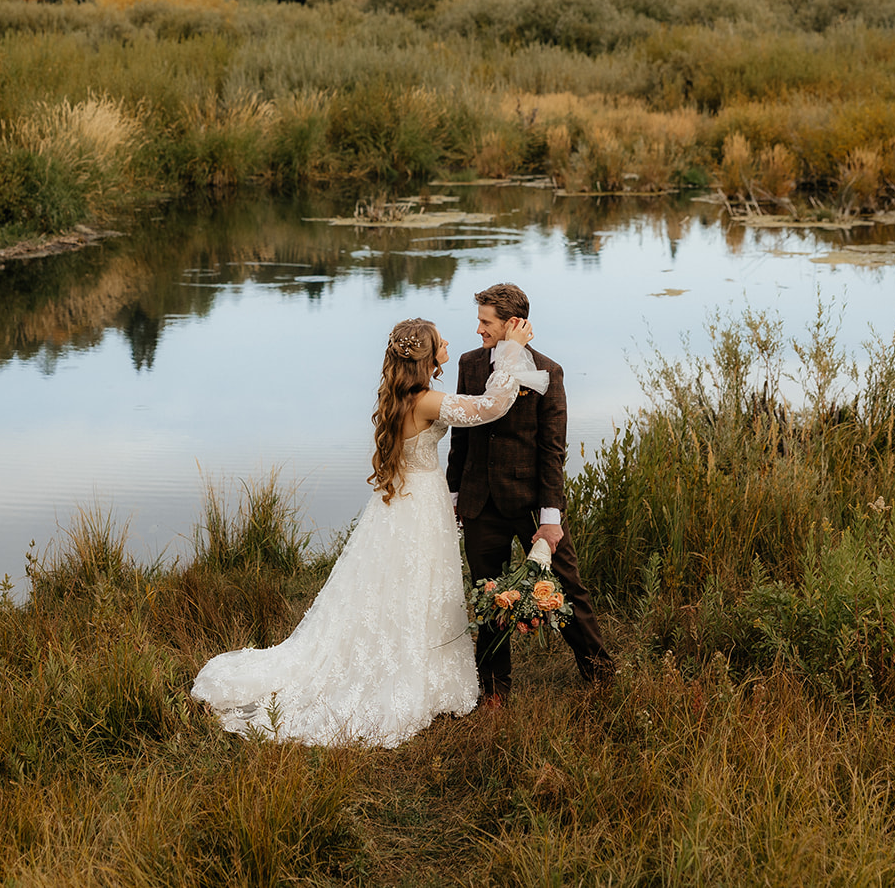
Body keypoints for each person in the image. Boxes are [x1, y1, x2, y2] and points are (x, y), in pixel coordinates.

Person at [191, 316, 545, 747]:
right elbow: (491, 407)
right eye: (440, 340)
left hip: (405, 502)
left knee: (403, 587)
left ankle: (411, 660)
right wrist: (511, 350)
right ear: (426, 356)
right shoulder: (426, 401)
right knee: (416, 585)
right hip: (419, 504)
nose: (449, 341)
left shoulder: (403, 398)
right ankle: (407, 674)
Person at [447, 283, 611, 706]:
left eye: (486, 322)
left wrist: (551, 517)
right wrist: (452, 495)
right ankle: (494, 692)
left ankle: (600, 674)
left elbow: (552, 448)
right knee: (488, 597)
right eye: (480, 320)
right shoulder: (468, 364)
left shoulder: (548, 371)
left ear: (513, 324)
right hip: (480, 502)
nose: (478, 328)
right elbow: (460, 440)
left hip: (533, 505)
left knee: (568, 589)